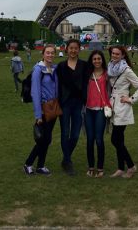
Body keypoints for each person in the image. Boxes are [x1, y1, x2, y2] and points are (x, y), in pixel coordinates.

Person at [107, 45, 138, 179]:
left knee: (115, 140)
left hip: (122, 108)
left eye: (117, 54)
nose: (114, 56)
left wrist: (130, 99)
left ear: (123, 56)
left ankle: (131, 166)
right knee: (119, 139)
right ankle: (120, 168)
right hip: (113, 106)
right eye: (113, 53)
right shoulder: (110, 67)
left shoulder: (126, 70)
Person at [23, 44, 59, 176]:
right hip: (44, 109)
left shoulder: (54, 69)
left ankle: (41, 166)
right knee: (43, 139)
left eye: (52, 53)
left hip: (53, 108)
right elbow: (35, 93)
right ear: (43, 54)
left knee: (47, 139)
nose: (50, 55)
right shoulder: (38, 70)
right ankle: (28, 163)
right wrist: (38, 115)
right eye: (48, 53)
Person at [56, 39, 88, 175]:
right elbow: (56, 85)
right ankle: (68, 161)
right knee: (65, 133)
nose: (73, 50)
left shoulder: (85, 65)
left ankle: (65, 158)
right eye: (71, 48)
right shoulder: (61, 66)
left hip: (78, 104)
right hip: (65, 104)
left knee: (75, 135)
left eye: (76, 48)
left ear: (79, 49)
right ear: (66, 49)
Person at [85, 50, 111, 178]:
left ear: (102, 60)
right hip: (88, 110)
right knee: (90, 140)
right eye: (94, 59)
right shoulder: (87, 74)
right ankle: (91, 167)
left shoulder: (108, 75)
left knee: (99, 140)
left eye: (99, 59)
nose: (96, 61)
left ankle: (100, 168)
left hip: (101, 110)